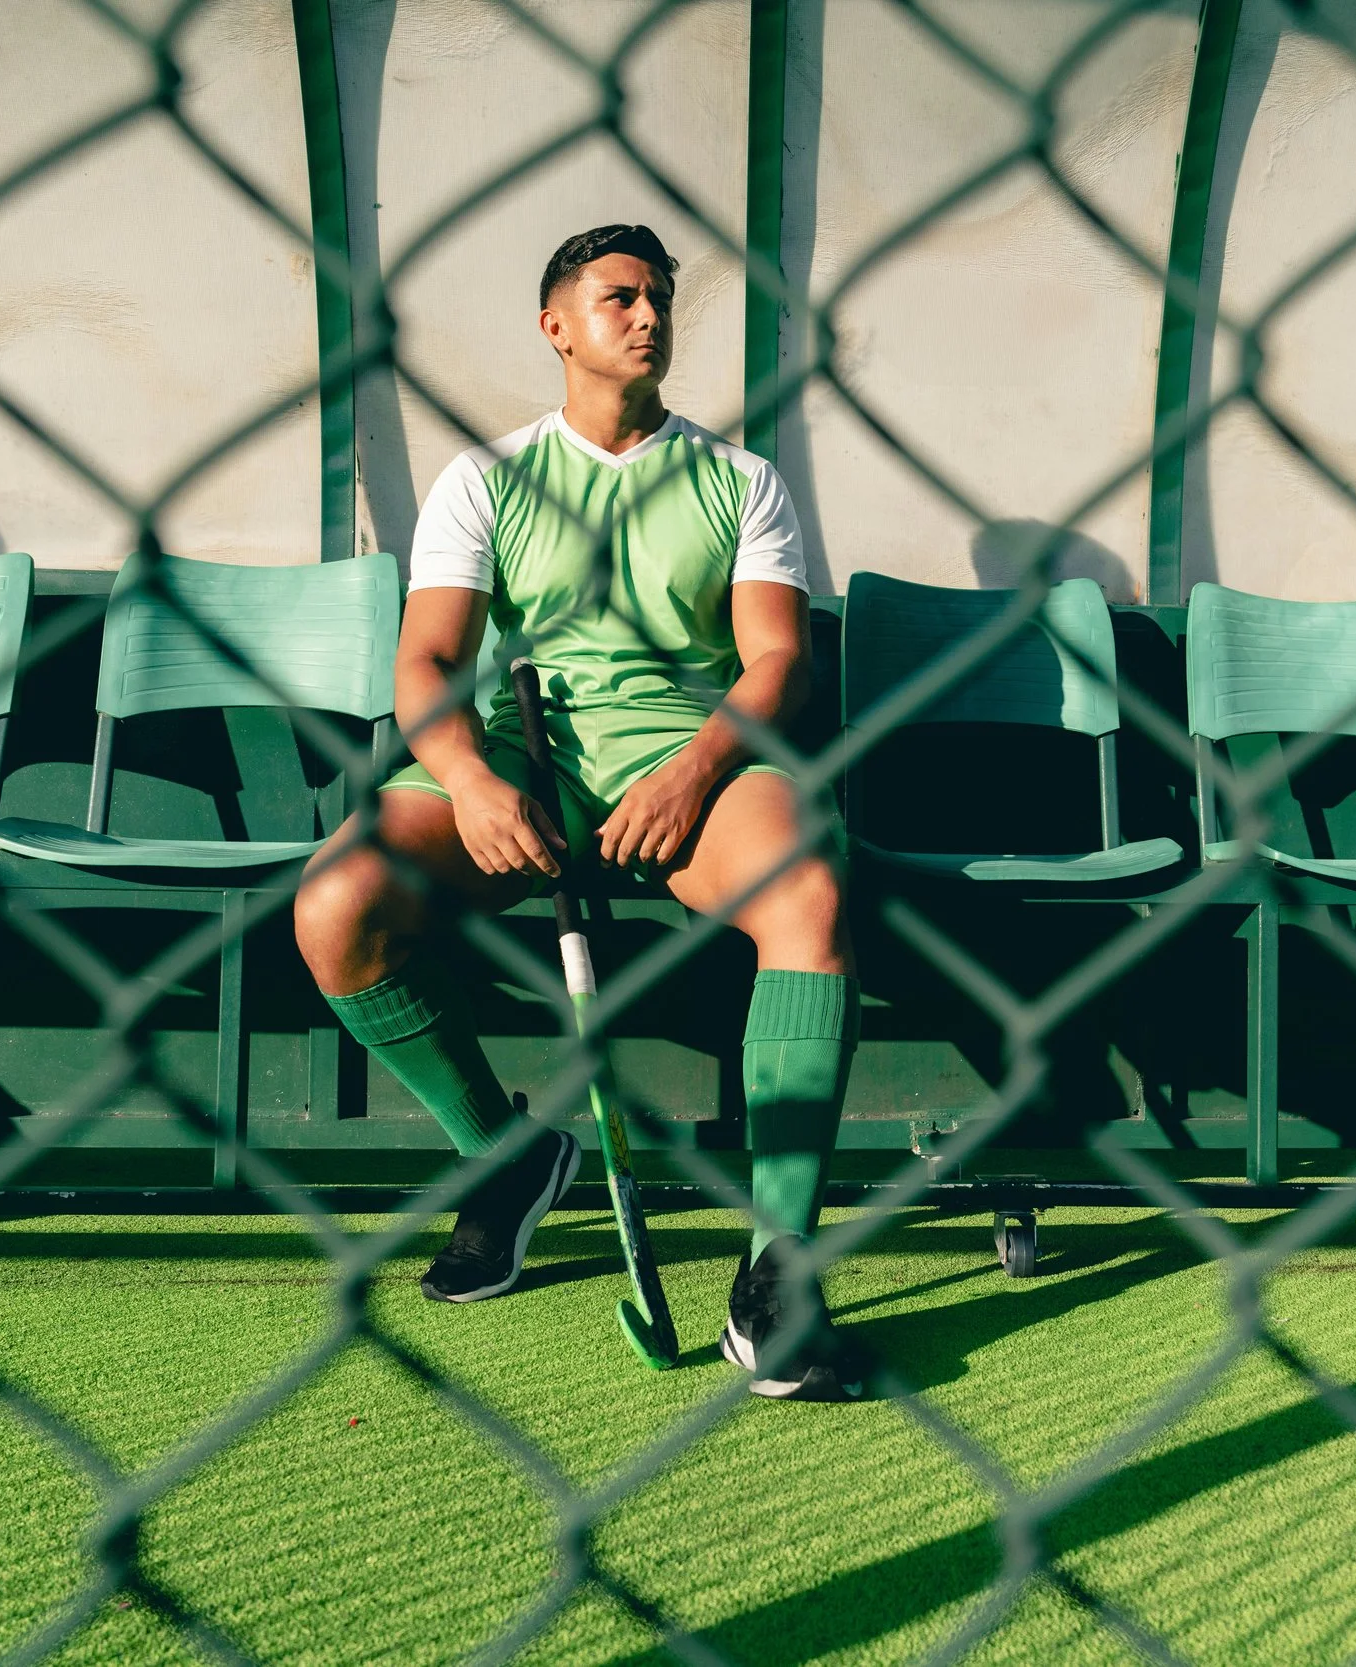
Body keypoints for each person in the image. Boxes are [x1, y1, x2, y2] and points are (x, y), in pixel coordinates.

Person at [293, 224, 864, 1401]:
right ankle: (503, 1161)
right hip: (524, 760)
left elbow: (773, 665)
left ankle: (778, 1267)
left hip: (690, 762)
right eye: (620, 298)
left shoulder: (740, 479)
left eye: (659, 299)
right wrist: (466, 779)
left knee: (809, 893)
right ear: (556, 326)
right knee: (337, 901)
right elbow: (428, 665)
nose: (649, 316)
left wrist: (692, 771)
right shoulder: (485, 477)